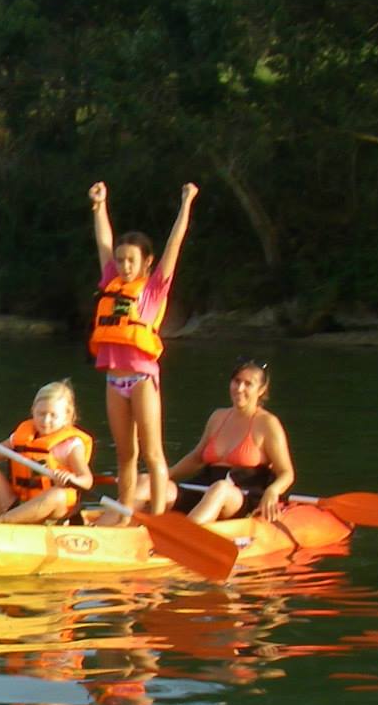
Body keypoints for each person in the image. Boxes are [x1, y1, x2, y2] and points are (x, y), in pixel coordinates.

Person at [88, 179, 198, 520]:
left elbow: (174, 245)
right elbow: (104, 242)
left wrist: (186, 205)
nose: (124, 266)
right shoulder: (111, 282)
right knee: (125, 455)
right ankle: (124, 514)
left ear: (146, 262)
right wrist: (99, 205)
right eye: (121, 261)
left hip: (141, 378)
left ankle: (158, 519)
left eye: (132, 261)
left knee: (152, 453)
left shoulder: (153, 289)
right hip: (113, 381)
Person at [165, 357, 294, 524]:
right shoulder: (217, 416)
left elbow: (286, 473)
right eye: (236, 381)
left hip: (241, 496)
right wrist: (165, 475)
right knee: (148, 483)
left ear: (261, 389)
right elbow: (197, 457)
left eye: (248, 384)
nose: (239, 388)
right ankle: (121, 529)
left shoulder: (268, 424)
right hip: (205, 489)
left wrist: (273, 491)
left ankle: (183, 535)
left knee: (220, 488)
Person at [0, 379, 96, 523]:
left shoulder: (71, 445)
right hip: (16, 506)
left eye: (53, 415)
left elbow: (87, 480)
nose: (46, 420)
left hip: (50, 514)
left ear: (67, 417)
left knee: (57, 494)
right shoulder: (21, 436)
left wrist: (71, 480)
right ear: (33, 410)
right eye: (41, 413)